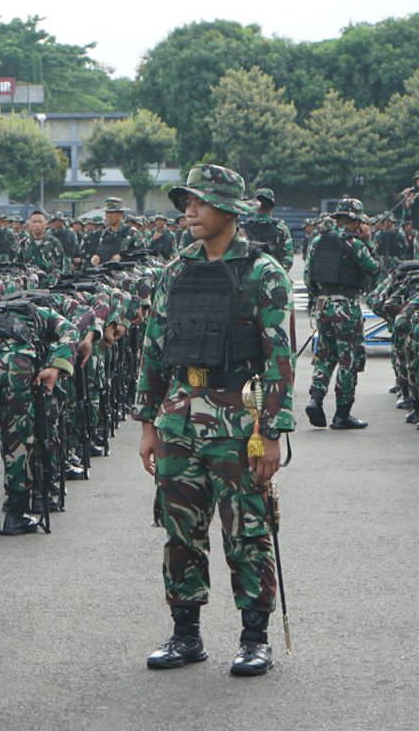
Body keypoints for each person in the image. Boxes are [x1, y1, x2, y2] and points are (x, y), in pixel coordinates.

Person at [137, 164, 294, 678]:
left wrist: (271, 433)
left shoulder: (262, 272)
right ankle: (186, 634)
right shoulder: (174, 272)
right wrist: (148, 424)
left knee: (247, 532)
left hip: (238, 424)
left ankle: (255, 639)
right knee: (181, 531)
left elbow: (278, 359)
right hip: (180, 420)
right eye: (187, 202)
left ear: (228, 210)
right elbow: (154, 351)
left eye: (199, 203)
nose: (189, 212)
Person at [303, 198, 380, 430]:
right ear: (355, 221)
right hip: (346, 305)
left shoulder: (318, 240)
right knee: (348, 358)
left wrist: (319, 296)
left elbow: (308, 275)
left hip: (323, 303)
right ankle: (342, 414)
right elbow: (374, 268)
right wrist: (368, 242)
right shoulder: (353, 243)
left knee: (325, 354)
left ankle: (315, 398)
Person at [239, 187, 294, 270]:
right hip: (274, 277)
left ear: (254, 205)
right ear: (272, 206)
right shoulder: (281, 229)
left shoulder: (243, 228)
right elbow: (288, 258)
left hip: (247, 278)